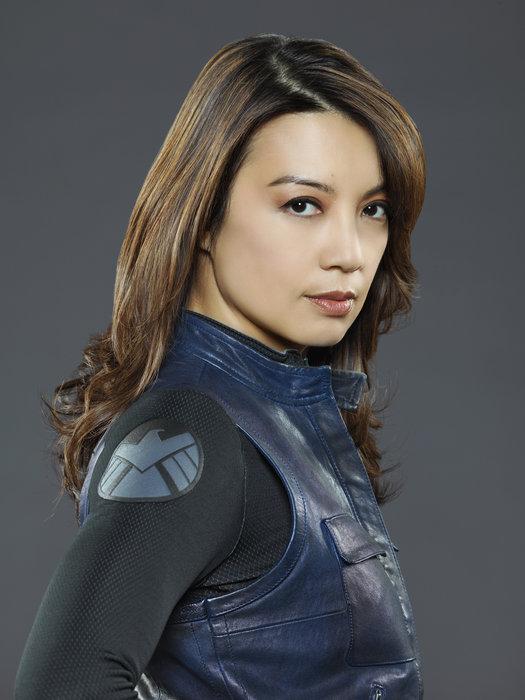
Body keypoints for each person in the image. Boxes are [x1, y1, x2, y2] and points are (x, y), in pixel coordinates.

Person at [15, 32, 427, 699]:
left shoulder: (272, 417)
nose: (350, 253)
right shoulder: (190, 432)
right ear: (203, 216)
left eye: (372, 210)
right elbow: (63, 685)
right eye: (302, 205)